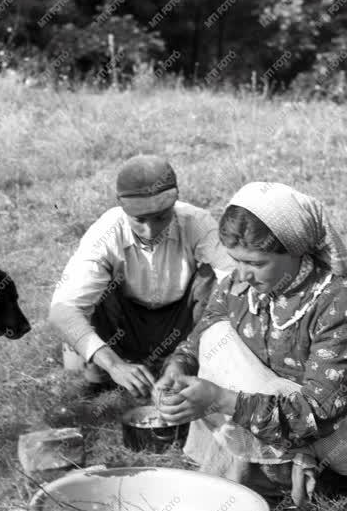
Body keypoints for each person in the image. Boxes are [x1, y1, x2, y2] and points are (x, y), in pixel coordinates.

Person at [156, 181, 347, 505]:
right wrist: (178, 365)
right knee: (217, 338)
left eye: (256, 263)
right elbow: (204, 330)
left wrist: (220, 398)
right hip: (287, 400)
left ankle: (281, 471)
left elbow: (318, 414)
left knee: (244, 382)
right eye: (236, 260)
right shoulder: (239, 285)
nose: (243, 274)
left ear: (295, 250)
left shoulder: (340, 303)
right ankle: (274, 465)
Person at [49, 155, 234, 397]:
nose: (150, 230)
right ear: (123, 209)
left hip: (180, 320)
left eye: (161, 217)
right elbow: (62, 310)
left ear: (174, 204)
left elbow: (235, 277)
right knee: (94, 286)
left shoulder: (195, 221)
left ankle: (187, 362)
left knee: (216, 280)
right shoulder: (106, 232)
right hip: (124, 321)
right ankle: (103, 372)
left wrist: (185, 356)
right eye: (140, 220)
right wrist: (114, 365)